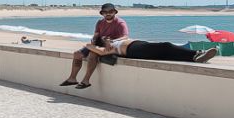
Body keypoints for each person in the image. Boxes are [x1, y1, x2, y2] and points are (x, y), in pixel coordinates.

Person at [60, 3, 128, 89]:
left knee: (93, 54)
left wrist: (111, 41)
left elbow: (125, 37)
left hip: (110, 46)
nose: (108, 13)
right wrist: (94, 39)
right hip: (98, 43)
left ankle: (86, 81)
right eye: (105, 12)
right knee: (77, 54)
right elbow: (96, 34)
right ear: (102, 13)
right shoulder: (100, 22)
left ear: (115, 12)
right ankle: (72, 79)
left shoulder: (120, 23)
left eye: (111, 11)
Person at [85, 37, 218, 72]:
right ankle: (196, 55)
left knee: (166, 53)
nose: (108, 39)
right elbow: (89, 46)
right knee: (166, 46)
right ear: (102, 43)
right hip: (135, 50)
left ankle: (195, 57)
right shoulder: (107, 49)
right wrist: (93, 42)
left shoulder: (114, 42)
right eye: (105, 39)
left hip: (140, 46)